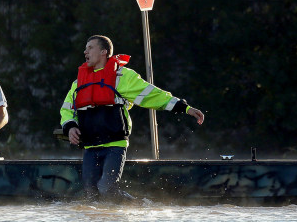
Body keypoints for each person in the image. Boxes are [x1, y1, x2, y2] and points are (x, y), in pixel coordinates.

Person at [60, 35, 205, 201]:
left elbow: (153, 95)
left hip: (114, 145)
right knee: (91, 194)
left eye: (90, 47)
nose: (85, 51)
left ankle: (138, 207)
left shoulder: (123, 77)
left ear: (103, 52)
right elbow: (66, 110)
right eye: (86, 48)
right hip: (90, 146)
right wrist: (70, 126)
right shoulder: (78, 82)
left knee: (106, 189)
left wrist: (184, 107)